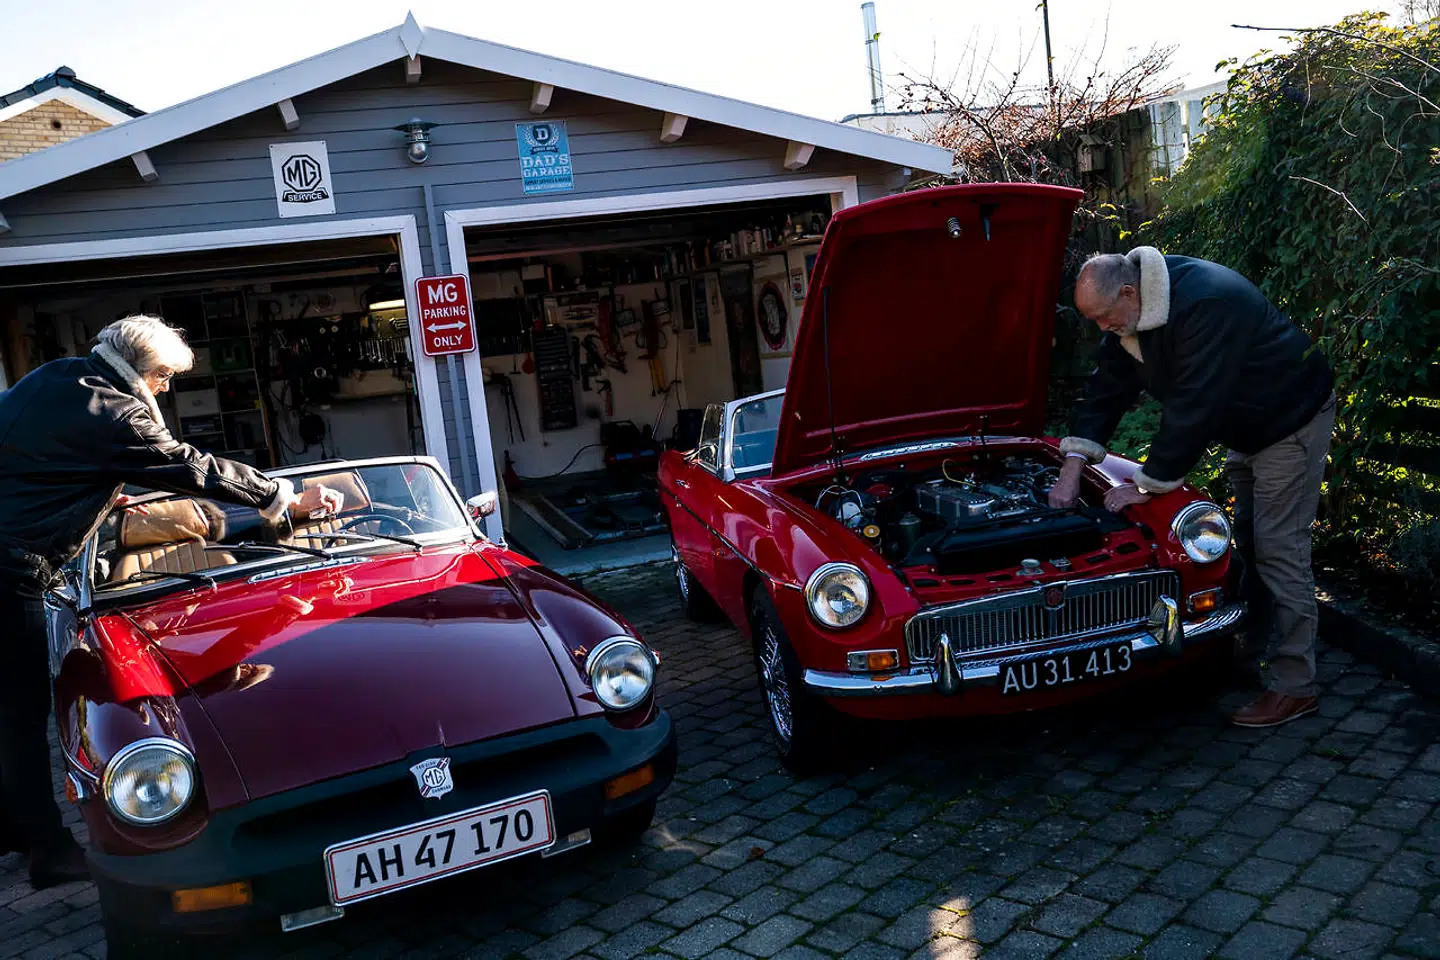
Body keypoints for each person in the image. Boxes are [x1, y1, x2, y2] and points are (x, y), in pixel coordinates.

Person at [0, 315, 342, 889]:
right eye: (164, 379)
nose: (164, 389)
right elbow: (191, 467)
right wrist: (279, 494)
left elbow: (37, 459)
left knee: (3, 710)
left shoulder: (56, 377)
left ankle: (11, 826)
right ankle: (47, 848)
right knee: (23, 715)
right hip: (10, 570)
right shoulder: (119, 413)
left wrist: (96, 486)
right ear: (146, 370)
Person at [1048, 247, 1336, 729]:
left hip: (1290, 421)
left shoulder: (1207, 302)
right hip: (1245, 425)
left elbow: (1194, 403)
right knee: (1248, 536)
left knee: (1280, 547)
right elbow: (1106, 389)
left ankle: (1295, 685)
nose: (1101, 329)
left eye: (1103, 318)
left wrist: (1150, 484)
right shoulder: (1131, 314)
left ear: (1128, 291)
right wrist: (1071, 466)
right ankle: (1252, 648)